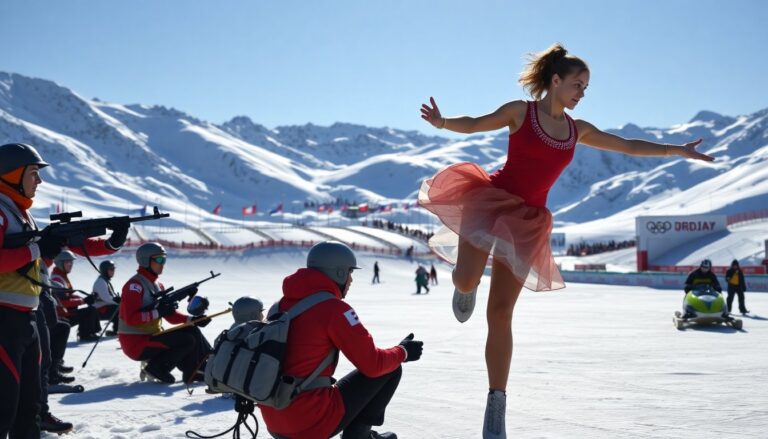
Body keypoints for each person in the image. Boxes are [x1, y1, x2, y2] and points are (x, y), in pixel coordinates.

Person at [418, 44, 714, 438]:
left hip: (527, 221)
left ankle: (496, 404)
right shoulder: (520, 113)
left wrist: (675, 149)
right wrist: (443, 123)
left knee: (501, 314)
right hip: (490, 203)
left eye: (586, 88)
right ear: (555, 81)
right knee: (466, 280)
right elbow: (475, 122)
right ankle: (463, 286)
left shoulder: (579, 130)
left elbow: (626, 145)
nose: (581, 93)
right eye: (577, 84)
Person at [0, 142, 126, 438]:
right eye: (33, 173)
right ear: (12, 174)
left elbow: (69, 244)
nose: (40, 181)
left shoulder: (18, 213)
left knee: (29, 406)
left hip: (26, 318)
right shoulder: (3, 213)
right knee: (5, 405)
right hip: (5, 320)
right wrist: (36, 249)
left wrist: (111, 242)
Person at [259, 241, 423, 439]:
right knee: (390, 369)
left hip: (275, 418)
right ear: (338, 273)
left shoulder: (278, 307)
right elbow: (372, 364)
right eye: (349, 272)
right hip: (309, 423)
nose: (351, 280)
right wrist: (403, 352)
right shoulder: (334, 310)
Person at [118, 242, 212, 384]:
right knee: (186, 340)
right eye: (159, 260)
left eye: (164, 260)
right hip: (136, 343)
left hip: (151, 336)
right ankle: (156, 368)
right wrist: (158, 312)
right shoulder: (134, 286)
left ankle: (199, 369)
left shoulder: (158, 285)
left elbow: (170, 316)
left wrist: (193, 319)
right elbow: (131, 319)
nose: (163, 264)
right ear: (146, 260)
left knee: (191, 330)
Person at [50, 250, 103, 341]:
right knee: (89, 311)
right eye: (68, 262)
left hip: (67, 313)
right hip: (62, 316)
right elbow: (62, 302)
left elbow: (69, 295)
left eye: (71, 262)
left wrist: (85, 298)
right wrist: (83, 301)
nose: (71, 264)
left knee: (92, 309)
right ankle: (86, 335)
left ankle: (91, 332)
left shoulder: (62, 276)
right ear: (60, 263)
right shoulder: (57, 279)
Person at [92, 259, 121, 335]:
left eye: (114, 269)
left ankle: (118, 329)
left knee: (120, 306)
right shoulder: (101, 282)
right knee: (120, 309)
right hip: (99, 309)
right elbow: (107, 298)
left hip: (104, 306)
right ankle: (117, 330)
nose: (113, 271)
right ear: (105, 270)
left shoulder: (105, 280)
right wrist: (117, 300)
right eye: (111, 269)